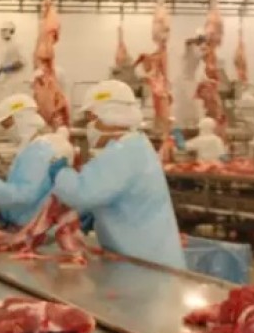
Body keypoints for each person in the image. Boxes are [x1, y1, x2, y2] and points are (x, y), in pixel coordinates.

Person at [52, 79, 186, 270]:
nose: (90, 126)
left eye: (92, 119)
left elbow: (82, 193)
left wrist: (58, 172)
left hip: (146, 266)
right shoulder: (135, 144)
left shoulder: (122, 153)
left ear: (108, 116)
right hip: (147, 259)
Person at [0, 94, 69, 227]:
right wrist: (1, 210)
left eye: (7, 124)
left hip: (35, 229)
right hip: (27, 225)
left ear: (21, 118)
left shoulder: (39, 151)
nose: (6, 130)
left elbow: (24, 196)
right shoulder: (30, 148)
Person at [0, 21, 25, 87]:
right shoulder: (3, 44)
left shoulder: (17, 44)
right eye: (1, 30)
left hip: (16, 79)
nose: (2, 33)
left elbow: (22, 63)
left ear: (11, 31)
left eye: (4, 30)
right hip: (6, 79)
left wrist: (6, 68)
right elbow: (5, 63)